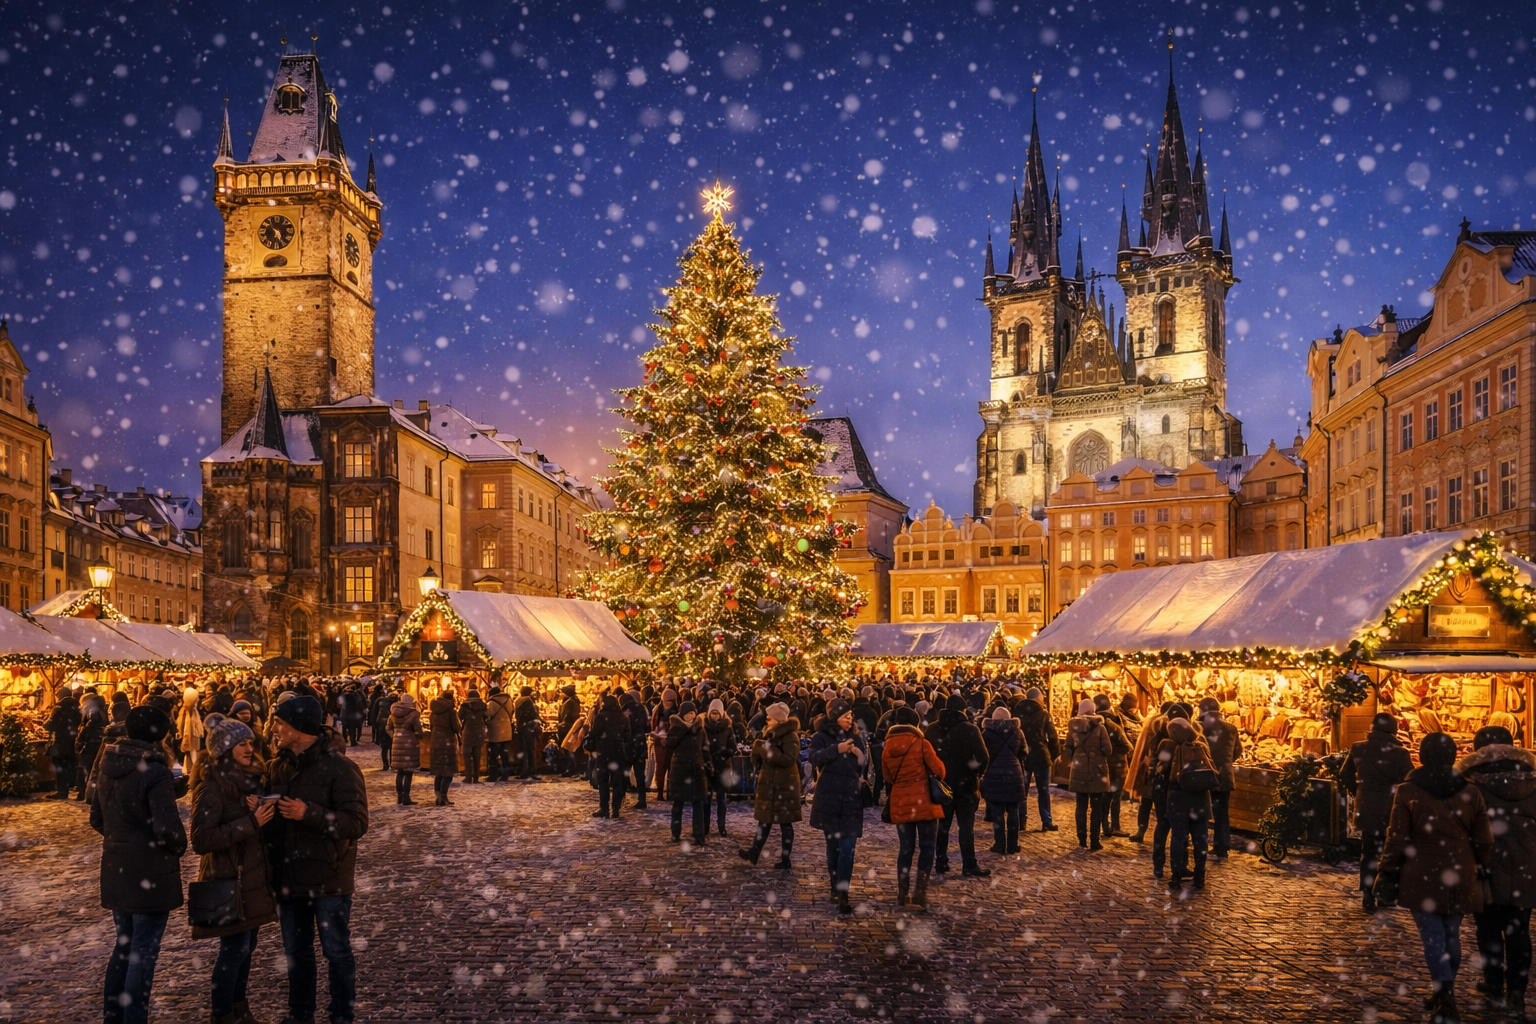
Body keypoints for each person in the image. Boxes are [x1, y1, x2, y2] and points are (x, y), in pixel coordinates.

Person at [263, 695, 369, 1024]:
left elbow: (356, 823)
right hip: (288, 875)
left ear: (299, 727)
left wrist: (308, 813)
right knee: (296, 954)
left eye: (281, 722)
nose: (275, 728)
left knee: (336, 951)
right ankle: (300, 1014)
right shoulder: (276, 765)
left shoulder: (341, 768)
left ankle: (341, 1014)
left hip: (328, 878)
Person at [1379, 732, 1494, 1024]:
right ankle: (1445, 990)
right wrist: (1481, 865)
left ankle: (1443, 994)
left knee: (1432, 935)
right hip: (1460, 871)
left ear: (1423, 755)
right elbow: (1485, 840)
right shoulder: (1471, 792)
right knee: (1450, 933)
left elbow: (1396, 838)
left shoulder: (1408, 791)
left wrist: (1386, 869)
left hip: (1422, 872)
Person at [92, 705, 185, 1024]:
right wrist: (177, 845)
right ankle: (134, 1018)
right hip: (148, 872)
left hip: (117, 868)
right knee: (142, 954)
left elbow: (97, 817)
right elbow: (167, 828)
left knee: (124, 948)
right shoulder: (155, 769)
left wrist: (123, 840)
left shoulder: (108, 762)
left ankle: (113, 1017)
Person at [192, 713, 279, 1024]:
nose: (248, 746)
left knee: (246, 949)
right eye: (241, 742)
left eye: (250, 741)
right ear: (225, 748)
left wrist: (259, 810)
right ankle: (222, 1015)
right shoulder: (212, 786)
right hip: (229, 878)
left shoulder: (250, 779)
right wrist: (250, 821)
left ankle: (240, 1011)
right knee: (234, 951)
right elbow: (201, 839)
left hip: (252, 878)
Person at [1458, 725, 1536, 1017]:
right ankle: (1517, 991)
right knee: (1519, 931)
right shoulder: (1533, 783)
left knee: (1488, 930)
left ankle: (1494, 989)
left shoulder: (1470, 786)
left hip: (1486, 866)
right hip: (1525, 867)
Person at [1339, 712, 1415, 912]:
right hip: (1392, 810)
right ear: (1394, 729)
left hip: (1366, 808)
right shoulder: (1400, 753)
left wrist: (1359, 794)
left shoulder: (1358, 748)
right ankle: (1384, 894)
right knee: (1390, 853)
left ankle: (1367, 893)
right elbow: (1410, 779)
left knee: (1369, 852)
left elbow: (1344, 775)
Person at [808, 698, 868, 914]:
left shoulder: (856, 737)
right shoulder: (820, 736)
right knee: (833, 847)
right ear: (834, 717)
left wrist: (859, 756)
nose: (849, 719)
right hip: (830, 796)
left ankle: (843, 891)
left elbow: (863, 765)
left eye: (851, 715)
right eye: (845, 715)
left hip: (851, 797)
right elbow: (814, 758)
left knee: (848, 848)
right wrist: (837, 749)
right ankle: (835, 886)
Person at [883, 705, 946, 909]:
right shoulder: (922, 744)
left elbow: (888, 777)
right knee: (927, 847)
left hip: (901, 802)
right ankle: (920, 891)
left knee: (906, 849)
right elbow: (940, 771)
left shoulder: (887, 747)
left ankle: (902, 892)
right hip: (924, 802)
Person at [927, 694, 990, 878]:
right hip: (966, 785)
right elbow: (983, 757)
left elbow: (927, 756)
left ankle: (940, 860)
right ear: (963, 710)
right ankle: (968, 863)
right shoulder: (970, 729)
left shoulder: (932, 729)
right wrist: (974, 773)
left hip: (941, 784)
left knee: (943, 826)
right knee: (966, 827)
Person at [1157, 713, 1217, 890]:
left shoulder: (1169, 746)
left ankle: (1176, 875)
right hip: (1200, 798)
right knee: (1200, 838)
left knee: (1178, 837)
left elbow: (1161, 770)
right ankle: (1200, 875)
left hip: (1178, 798)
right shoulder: (1201, 744)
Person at [739, 702, 801, 869]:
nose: (767, 720)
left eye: (770, 717)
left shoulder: (790, 736)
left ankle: (785, 859)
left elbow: (788, 759)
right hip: (770, 785)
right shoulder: (769, 734)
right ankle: (754, 852)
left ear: (778, 719)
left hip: (784, 785)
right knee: (764, 821)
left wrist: (765, 749)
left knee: (785, 824)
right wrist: (757, 751)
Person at [1197, 697, 1243, 858]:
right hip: (1224, 776)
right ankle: (1222, 846)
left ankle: (1200, 844)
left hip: (1204, 775)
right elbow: (1238, 750)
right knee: (1222, 813)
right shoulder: (1231, 728)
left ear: (1202, 710)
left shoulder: (1200, 727)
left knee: (1202, 812)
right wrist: (1225, 763)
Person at [1064, 699, 1113, 850]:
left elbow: (1068, 748)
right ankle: (1095, 840)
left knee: (1081, 806)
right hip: (1097, 771)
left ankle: (1082, 839)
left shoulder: (1074, 727)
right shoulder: (1100, 728)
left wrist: (1076, 757)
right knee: (1096, 807)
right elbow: (1108, 750)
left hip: (1079, 770)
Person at [980, 706, 1026, 855]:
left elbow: (983, 754)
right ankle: (1013, 844)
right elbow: (1024, 752)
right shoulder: (1018, 732)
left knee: (997, 812)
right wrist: (1015, 761)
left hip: (994, 774)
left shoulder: (987, 733)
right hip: (1014, 773)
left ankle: (1000, 844)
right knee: (1013, 810)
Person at [1013, 688, 1059, 832]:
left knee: (1022, 790)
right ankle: (1046, 820)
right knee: (1043, 790)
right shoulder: (1044, 714)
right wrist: (1054, 754)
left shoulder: (1017, 712)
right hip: (1040, 755)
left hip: (1023, 755)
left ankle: (1022, 819)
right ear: (1038, 699)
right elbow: (1053, 737)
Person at [665, 701, 710, 845]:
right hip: (680, 772)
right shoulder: (676, 728)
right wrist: (683, 729)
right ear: (683, 714)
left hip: (696, 771)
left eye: (693, 712)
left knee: (698, 805)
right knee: (678, 805)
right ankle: (675, 833)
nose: (691, 715)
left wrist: (709, 766)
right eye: (688, 713)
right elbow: (670, 744)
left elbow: (705, 749)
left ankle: (699, 836)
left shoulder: (700, 729)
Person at [1094, 694, 1133, 838]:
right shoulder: (1113, 721)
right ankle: (1114, 826)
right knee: (1115, 796)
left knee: (1105, 795)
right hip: (1117, 764)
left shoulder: (1095, 722)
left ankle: (1104, 824)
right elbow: (1124, 745)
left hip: (1102, 764)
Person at [588, 692, 631, 819]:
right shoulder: (624, 717)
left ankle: (604, 808)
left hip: (604, 751)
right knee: (617, 782)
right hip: (618, 752)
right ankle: (616, 809)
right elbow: (628, 736)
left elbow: (595, 732)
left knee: (603, 781)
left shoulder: (602, 716)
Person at [703, 699, 737, 836]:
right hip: (708, 766)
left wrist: (723, 753)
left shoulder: (727, 728)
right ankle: (705, 826)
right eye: (713, 713)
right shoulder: (704, 727)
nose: (715, 716)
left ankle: (721, 826)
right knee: (707, 799)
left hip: (723, 767)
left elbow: (732, 747)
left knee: (722, 799)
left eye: (717, 713)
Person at [44, 691, 82, 800]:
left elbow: (51, 725)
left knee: (60, 767)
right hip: (72, 740)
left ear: (60, 696)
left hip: (60, 741)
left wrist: (45, 724)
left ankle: (62, 791)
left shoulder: (60, 707)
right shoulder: (78, 706)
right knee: (69, 766)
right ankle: (71, 787)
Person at [387, 693, 423, 806]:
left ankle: (399, 797)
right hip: (409, 744)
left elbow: (387, 727)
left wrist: (395, 736)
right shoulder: (413, 714)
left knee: (400, 772)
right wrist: (417, 736)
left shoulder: (393, 713)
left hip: (396, 744)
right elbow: (419, 730)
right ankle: (406, 797)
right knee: (408, 772)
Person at [429, 689, 461, 806]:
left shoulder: (433, 711)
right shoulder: (451, 711)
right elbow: (456, 727)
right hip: (447, 741)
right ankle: (443, 796)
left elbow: (432, 725)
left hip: (435, 741)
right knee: (448, 772)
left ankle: (438, 795)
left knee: (439, 771)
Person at [619, 690, 651, 810]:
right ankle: (642, 800)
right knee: (639, 775)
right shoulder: (642, 708)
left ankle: (620, 796)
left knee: (625, 772)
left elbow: (623, 727)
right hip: (640, 745)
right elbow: (647, 726)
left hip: (629, 745)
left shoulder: (625, 711)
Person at [651, 687, 680, 800]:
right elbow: (654, 726)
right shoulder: (658, 711)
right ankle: (660, 792)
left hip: (672, 742)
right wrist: (659, 737)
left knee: (671, 767)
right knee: (661, 767)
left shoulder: (676, 711)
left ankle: (670, 791)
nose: (669, 704)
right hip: (659, 742)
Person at [75, 702, 107, 803]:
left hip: (88, 752)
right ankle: (94, 793)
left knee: (87, 773)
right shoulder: (104, 727)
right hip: (98, 752)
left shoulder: (88, 727)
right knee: (95, 773)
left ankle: (86, 793)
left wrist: (79, 748)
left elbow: (81, 739)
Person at [485, 684, 514, 782]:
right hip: (507, 729)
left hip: (495, 730)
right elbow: (511, 712)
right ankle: (505, 774)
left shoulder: (491, 703)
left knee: (493, 754)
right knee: (504, 753)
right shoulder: (508, 700)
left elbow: (488, 715)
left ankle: (493, 774)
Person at [459, 688, 488, 785]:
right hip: (479, 731)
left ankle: (468, 776)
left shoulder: (465, 706)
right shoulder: (483, 706)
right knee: (477, 754)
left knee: (467, 755)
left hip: (468, 731)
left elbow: (460, 718)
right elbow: (486, 717)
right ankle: (476, 777)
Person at [513, 685, 542, 781]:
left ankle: (523, 770)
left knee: (523, 750)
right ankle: (530, 770)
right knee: (530, 750)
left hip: (521, 728)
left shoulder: (518, 701)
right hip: (529, 729)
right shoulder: (528, 702)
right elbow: (533, 715)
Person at [556, 683, 581, 777]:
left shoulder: (570, 702)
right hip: (569, 727)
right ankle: (571, 768)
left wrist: (563, 723)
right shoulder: (572, 701)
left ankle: (572, 768)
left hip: (568, 728)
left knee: (567, 748)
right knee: (568, 748)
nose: (561, 694)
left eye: (562, 692)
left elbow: (568, 715)